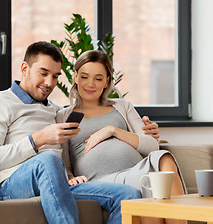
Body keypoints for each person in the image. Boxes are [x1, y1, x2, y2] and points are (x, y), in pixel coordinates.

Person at [0, 41, 160, 224]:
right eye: (43, 73)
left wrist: (69, 176)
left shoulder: (57, 112)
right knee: (48, 159)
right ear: (25, 68)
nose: (49, 83)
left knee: (129, 195)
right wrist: (36, 140)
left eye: (55, 76)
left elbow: (66, 154)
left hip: (58, 184)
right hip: (13, 185)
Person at [56, 50, 187, 224]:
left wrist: (113, 130)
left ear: (107, 81)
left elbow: (151, 145)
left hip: (135, 169)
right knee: (148, 182)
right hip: (101, 180)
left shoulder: (122, 106)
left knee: (164, 158)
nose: (90, 84)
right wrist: (70, 177)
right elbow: (63, 160)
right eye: (84, 76)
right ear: (75, 77)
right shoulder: (63, 116)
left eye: (98, 78)